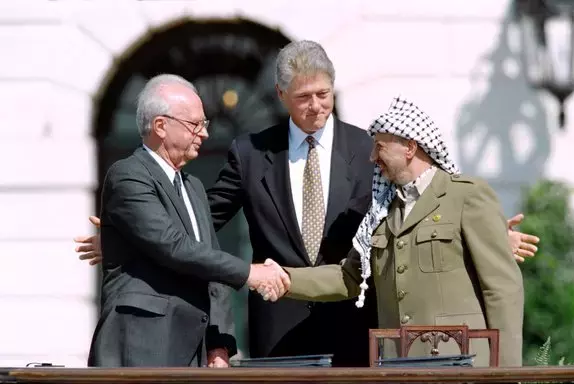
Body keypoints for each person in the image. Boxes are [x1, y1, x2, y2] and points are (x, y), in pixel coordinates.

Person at [75, 41, 539, 367]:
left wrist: (491, 237)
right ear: (281, 97)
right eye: (304, 97)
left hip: (364, 329)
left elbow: (418, 216)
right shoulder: (251, 152)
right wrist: (129, 235)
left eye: (324, 94)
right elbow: (200, 224)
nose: (316, 106)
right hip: (280, 331)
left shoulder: (370, 149)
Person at [263, 95, 525, 367]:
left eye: (379, 148)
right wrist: (285, 278)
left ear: (410, 147)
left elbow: (502, 288)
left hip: (460, 365)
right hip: (396, 366)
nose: (372, 157)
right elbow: (349, 276)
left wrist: (505, 372)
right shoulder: (381, 210)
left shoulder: (466, 196)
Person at [88, 74, 289, 367]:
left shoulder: (192, 185)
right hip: (142, 346)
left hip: (193, 351)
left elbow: (210, 261)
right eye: (195, 125)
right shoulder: (127, 175)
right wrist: (249, 273)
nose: (205, 133)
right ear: (160, 126)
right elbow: (174, 246)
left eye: (204, 124)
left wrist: (220, 344)